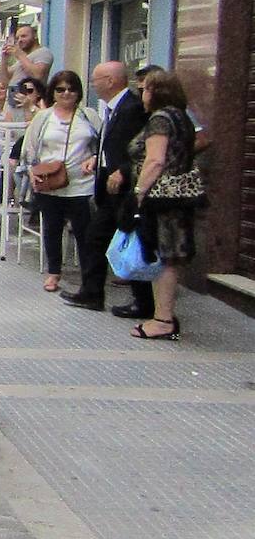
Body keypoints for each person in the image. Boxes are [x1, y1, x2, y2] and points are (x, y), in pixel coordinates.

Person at [62, 61, 152, 317]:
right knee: (96, 238)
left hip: (123, 189)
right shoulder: (112, 109)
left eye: (96, 80)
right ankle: (92, 293)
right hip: (108, 187)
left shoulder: (131, 109)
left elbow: (138, 149)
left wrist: (122, 170)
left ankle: (143, 301)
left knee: (128, 241)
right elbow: (111, 144)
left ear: (110, 81)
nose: (92, 85)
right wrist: (97, 159)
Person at [128, 69, 200, 340]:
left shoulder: (160, 119)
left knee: (164, 258)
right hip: (181, 197)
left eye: (144, 89)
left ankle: (163, 319)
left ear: (155, 92)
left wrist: (138, 192)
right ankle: (163, 316)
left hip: (162, 199)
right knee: (169, 257)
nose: (142, 95)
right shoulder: (182, 117)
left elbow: (155, 159)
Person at [22, 70, 100, 292]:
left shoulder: (88, 115)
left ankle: (88, 276)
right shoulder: (44, 117)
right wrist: (31, 171)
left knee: (84, 231)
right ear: (52, 92)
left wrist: (94, 159)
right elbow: (31, 148)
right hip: (50, 181)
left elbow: (102, 144)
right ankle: (53, 272)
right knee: (52, 228)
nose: (66, 93)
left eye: (72, 89)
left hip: (81, 182)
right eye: (60, 89)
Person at [0, 24, 53, 117]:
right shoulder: (22, 59)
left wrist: (19, 55)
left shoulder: (43, 52)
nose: (20, 40)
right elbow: (4, 80)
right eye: (17, 38)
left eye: (24, 36)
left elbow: (38, 74)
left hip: (29, 106)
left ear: (35, 35)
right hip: (13, 105)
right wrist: (4, 59)